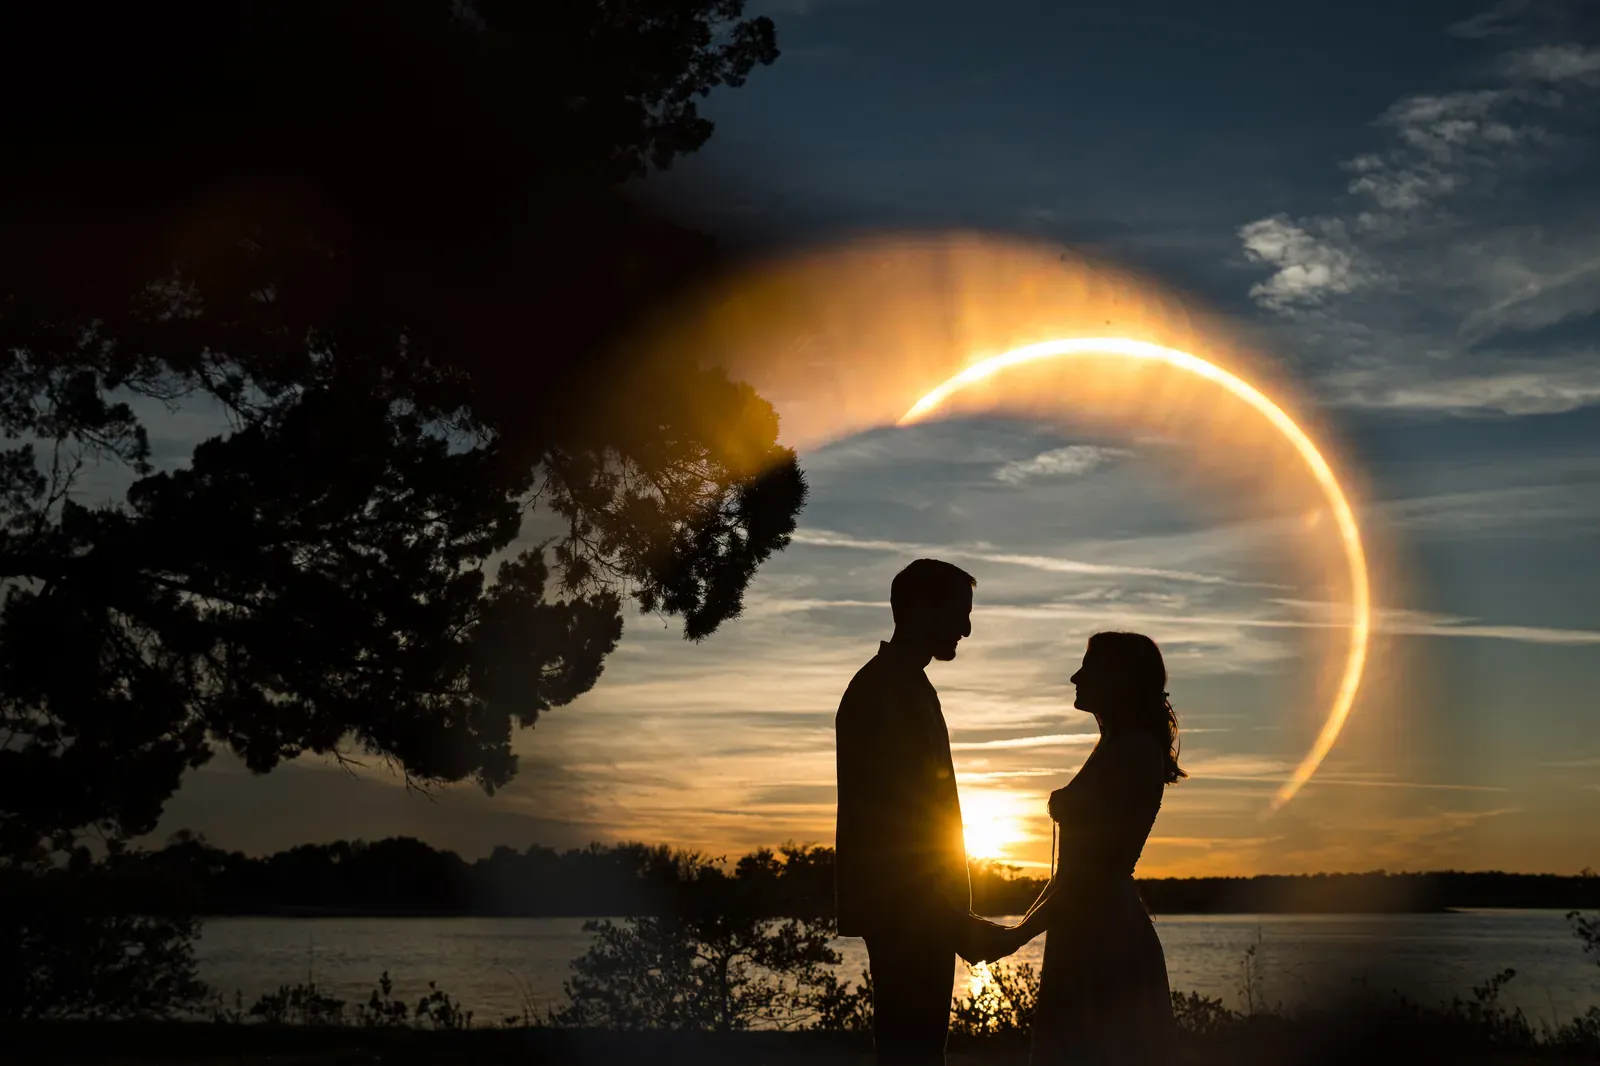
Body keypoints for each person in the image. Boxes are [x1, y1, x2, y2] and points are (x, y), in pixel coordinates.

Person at [834, 558, 1011, 1065]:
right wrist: (948, 917)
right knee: (912, 1052)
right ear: (918, 608)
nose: (967, 628)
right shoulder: (886, 690)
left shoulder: (901, 685)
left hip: (917, 912)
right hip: (908, 913)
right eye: (959, 612)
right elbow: (899, 823)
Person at [1001, 631, 1184, 1066]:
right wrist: (1017, 930)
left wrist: (1017, 936)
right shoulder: (1113, 747)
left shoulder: (1135, 752)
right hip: (1083, 924)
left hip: (1105, 929)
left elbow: (1095, 873)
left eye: (1088, 667)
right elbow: (1073, 872)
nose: (1074, 677)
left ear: (1118, 678)